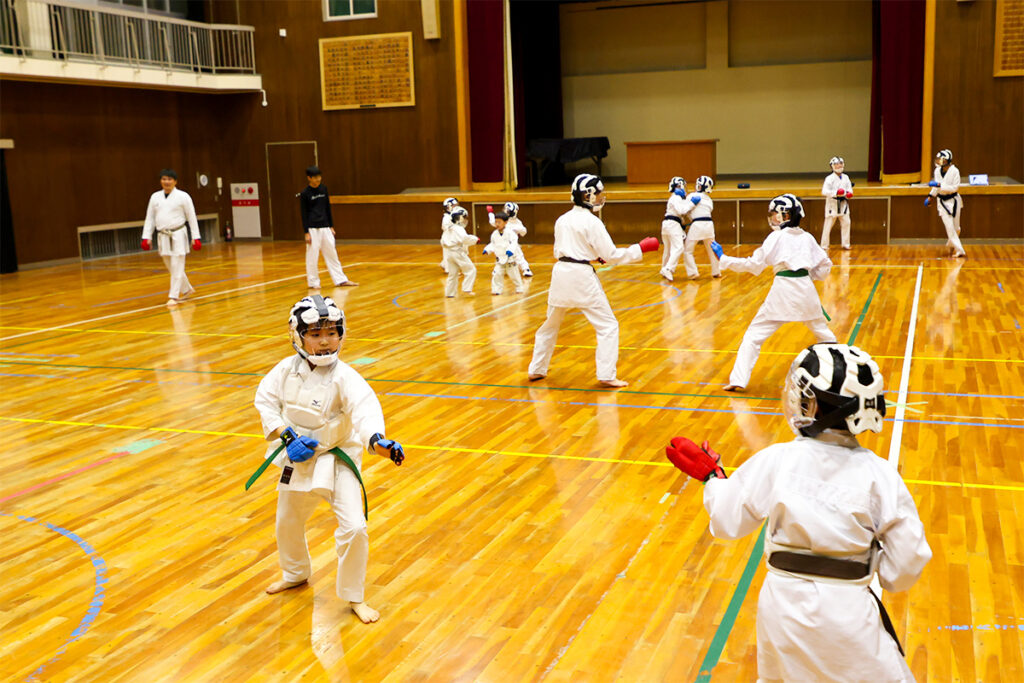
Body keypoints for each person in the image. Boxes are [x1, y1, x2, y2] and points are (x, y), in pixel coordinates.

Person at [665, 342, 931, 682]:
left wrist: (713, 478)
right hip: (849, 614)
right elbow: (906, 564)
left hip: (781, 610)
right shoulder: (880, 476)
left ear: (814, 405)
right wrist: (872, 563)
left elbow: (728, 521)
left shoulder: (778, 460)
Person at [254, 295, 405, 624]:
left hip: (337, 460)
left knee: (355, 528)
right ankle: (295, 573)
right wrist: (287, 435)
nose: (325, 341)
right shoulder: (285, 370)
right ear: (298, 336)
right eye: (316, 334)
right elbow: (265, 401)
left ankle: (354, 597)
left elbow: (365, 411)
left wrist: (378, 441)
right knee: (287, 522)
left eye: (332, 333)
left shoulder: (346, 376)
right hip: (298, 457)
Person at [527, 173, 660, 388]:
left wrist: (592, 254)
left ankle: (536, 368)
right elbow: (611, 255)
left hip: (560, 273)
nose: (600, 197)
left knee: (549, 325)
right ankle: (607, 374)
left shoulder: (562, 219)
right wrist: (640, 248)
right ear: (587, 195)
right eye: (597, 193)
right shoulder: (592, 222)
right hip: (581, 276)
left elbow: (566, 249)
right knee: (607, 325)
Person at [710, 194, 836, 392]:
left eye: (777, 215)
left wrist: (724, 258)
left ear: (786, 215)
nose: (774, 219)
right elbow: (825, 268)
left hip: (783, 291)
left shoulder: (776, 237)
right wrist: (807, 273)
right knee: (825, 335)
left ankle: (738, 379)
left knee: (753, 336)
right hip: (806, 290)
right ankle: (839, 374)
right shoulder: (808, 238)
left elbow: (753, 265)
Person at [141, 168, 201, 306]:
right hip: (163, 235)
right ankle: (187, 289)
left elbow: (192, 217)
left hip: (179, 234)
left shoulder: (183, 197)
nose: (166, 182)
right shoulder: (155, 197)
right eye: (164, 179)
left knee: (177, 264)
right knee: (171, 266)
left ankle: (173, 296)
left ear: (175, 181)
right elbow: (149, 218)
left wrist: (196, 237)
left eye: (169, 179)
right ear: (160, 181)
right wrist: (146, 237)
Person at [300, 166, 358, 289]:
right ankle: (313, 282)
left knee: (332, 253)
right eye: (315, 177)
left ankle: (341, 280)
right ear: (309, 178)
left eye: (319, 177)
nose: (318, 179)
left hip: (325, 226)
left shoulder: (323, 189)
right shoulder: (305, 194)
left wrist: (331, 225)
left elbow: (327, 208)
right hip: (312, 228)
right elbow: (303, 213)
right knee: (312, 256)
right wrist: (306, 232)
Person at [925, 149, 966, 258]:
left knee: (956, 228)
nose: (939, 162)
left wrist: (939, 185)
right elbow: (936, 188)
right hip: (942, 203)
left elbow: (955, 188)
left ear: (948, 161)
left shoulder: (955, 171)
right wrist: (930, 196)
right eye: (938, 160)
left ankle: (951, 244)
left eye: (942, 160)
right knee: (949, 227)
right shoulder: (937, 171)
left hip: (954, 200)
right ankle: (960, 250)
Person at [681, 175, 720, 280]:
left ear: (698, 186)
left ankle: (693, 272)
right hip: (709, 225)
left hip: (697, 225)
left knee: (688, 250)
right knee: (712, 249)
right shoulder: (709, 199)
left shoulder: (691, 196)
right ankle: (716, 271)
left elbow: (684, 210)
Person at [483, 211, 524, 295]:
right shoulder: (494, 234)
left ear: (505, 222)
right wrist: (487, 249)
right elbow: (493, 244)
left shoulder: (510, 233)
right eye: (496, 222)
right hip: (499, 258)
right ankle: (496, 290)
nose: (497, 224)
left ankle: (519, 287)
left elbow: (514, 243)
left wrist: (510, 250)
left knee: (514, 275)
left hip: (510, 258)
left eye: (499, 222)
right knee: (497, 274)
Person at [440, 206, 478, 297]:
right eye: (464, 218)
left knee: (452, 274)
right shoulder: (458, 229)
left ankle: (449, 293)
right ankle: (467, 289)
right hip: (457, 252)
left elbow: (442, 241)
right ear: (459, 217)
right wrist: (475, 239)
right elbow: (465, 239)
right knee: (471, 270)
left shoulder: (449, 228)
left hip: (449, 253)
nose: (465, 220)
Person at [820, 156, 854, 250]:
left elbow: (849, 189)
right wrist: (835, 193)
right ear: (832, 166)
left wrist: (849, 193)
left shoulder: (846, 177)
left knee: (846, 223)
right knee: (828, 225)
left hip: (843, 204)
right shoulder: (829, 179)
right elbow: (824, 191)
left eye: (840, 164)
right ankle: (824, 245)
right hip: (833, 204)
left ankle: (846, 244)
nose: (839, 166)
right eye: (836, 164)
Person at [659, 176, 687, 282]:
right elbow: (681, 210)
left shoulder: (673, 197)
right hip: (672, 224)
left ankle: (664, 267)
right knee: (679, 247)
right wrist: (692, 203)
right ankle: (668, 268)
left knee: (668, 249)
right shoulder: (676, 197)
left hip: (667, 224)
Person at [500, 201, 533, 278]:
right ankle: (501, 270)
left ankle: (526, 269)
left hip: (513, 243)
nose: (505, 212)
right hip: (503, 243)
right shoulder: (502, 220)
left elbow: (523, 232)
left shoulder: (517, 222)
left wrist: (515, 228)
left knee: (519, 256)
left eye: (507, 210)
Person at [440, 197, 460, 273]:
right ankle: (449, 269)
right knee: (448, 254)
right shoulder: (447, 217)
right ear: (449, 207)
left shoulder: (454, 216)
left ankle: (444, 264)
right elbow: (444, 227)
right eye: (455, 206)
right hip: (448, 238)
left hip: (453, 238)